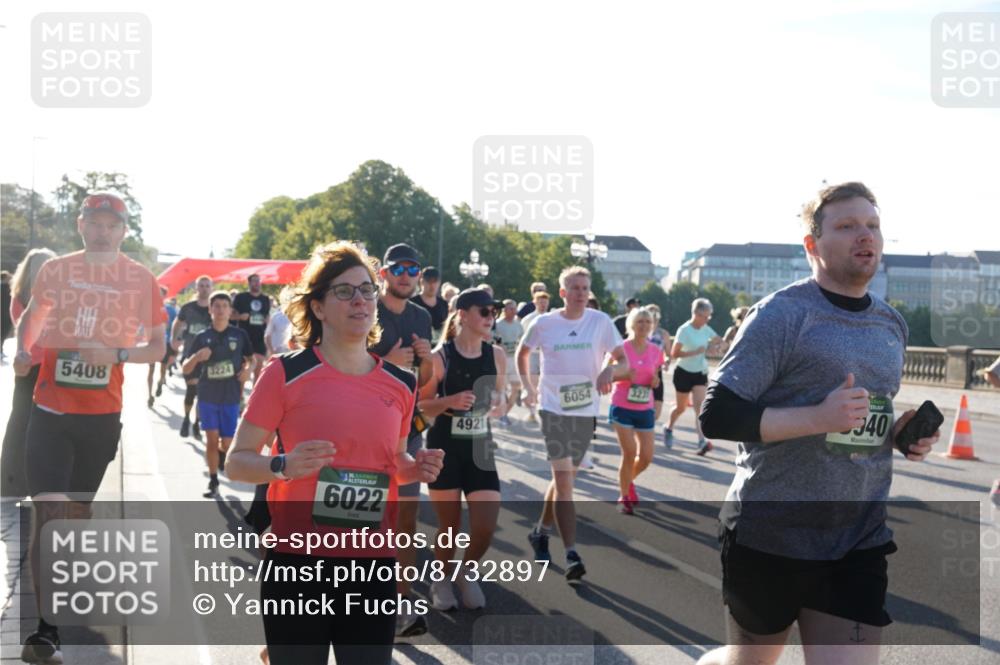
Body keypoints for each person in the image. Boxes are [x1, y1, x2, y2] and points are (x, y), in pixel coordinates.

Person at [695, 181, 940, 665]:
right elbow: (717, 415)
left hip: (857, 537)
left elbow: (862, 413)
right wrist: (816, 417)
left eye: (872, 225)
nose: (864, 235)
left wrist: (897, 433)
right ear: (812, 244)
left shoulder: (891, 323)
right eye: (846, 226)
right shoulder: (781, 315)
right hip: (771, 533)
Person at [226, 240, 443, 665]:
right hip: (297, 565)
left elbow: (395, 465)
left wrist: (416, 468)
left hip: (372, 566)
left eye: (366, 290)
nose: (359, 299)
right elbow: (237, 462)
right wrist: (283, 465)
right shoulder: (285, 373)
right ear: (318, 307)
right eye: (344, 291)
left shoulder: (401, 383)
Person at [13, 192, 166, 663]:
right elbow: (32, 317)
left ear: (123, 231)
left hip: (100, 418)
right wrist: (23, 350)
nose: (102, 232)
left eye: (111, 225)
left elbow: (157, 347)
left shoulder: (140, 280)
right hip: (50, 412)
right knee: (50, 512)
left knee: (76, 514)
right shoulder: (57, 270)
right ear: (81, 225)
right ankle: (46, 630)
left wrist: (116, 354)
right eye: (95, 223)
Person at [518, 266, 625, 581]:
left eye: (585, 288)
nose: (580, 293)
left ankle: (540, 532)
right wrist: (527, 387)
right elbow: (522, 353)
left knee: (563, 480)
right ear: (563, 293)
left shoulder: (600, 322)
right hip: (553, 408)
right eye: (575, 288)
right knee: (565, 482)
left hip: (584, 410)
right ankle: (571, 553)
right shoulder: (544, 323)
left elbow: (624, 359)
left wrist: (610, 370)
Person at [419, 288, 506, 610]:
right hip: (444, 448)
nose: (490, 317)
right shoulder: (440, 358)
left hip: (480, 447)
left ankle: (465, 571)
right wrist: (450, 401)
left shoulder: (496, 355)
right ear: (463, 315)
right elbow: (421, 405)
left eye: (494, 311)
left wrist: (500, 404)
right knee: (450, 526)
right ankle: (440, 579)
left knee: (485, 526)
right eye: (484, 311)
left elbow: (502, 397)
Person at [367, 242, 435, 637]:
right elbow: (345, 366)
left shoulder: (421, 317)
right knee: (364, 519)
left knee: (405, 519)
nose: (406, 276)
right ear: (384, 274)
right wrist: (386, 363)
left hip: (406, 430)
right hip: (364, 430)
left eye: (413, 270)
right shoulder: (365, 308)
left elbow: (423, 381)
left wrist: (426, 361)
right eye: (399, 269)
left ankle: (400, 604)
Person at [181, 291, 253, 498]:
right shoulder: (202, 337)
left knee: (227, 443)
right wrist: (197, 357)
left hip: (231, 396)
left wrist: (248, 370)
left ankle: (222, 454)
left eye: (224, 306)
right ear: (210, 310)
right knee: (211, 439)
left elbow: (251, 358)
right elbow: (185, 368)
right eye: (217, 306)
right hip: (208, 395)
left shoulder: (240, 335)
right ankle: (213, 481)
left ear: (230, 311)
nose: (221, 310)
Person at [0, 248, 56, 499]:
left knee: (22, 424)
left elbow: (21, 326)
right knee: (40, 426)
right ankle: (31, 483)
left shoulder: (19, 296)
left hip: (30, 366)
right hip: (43, 367)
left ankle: (13, 481)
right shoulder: (47, 298)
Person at [607, 307, 664, 514]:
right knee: (629, 452)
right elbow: (605, 374)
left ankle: (627, 480)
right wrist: (623, 376)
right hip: (622, 405)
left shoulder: (656, 351)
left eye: (648, 322)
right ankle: (623, 497)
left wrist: (655, 382)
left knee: (646, 457)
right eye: (640, 321)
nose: (644, 326)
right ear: (631, 324)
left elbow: (656, 378)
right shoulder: (620, 348)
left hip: (644, 406)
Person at [664, 298, 722, 455]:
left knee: (700, 408)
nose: (707, 319)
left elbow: (720, 341)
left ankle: (702, 441)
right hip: (683, 372)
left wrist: (715, 347)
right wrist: (694, 352)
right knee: (681, 408)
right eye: (705, 316)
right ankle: (668, 428)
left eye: (709, 316)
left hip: (700, 373)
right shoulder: (684, 330)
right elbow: (674, 353)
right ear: (696, 314)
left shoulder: (706, 329)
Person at [173, 275, 213, 439]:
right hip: (190, 354)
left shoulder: (214, 309)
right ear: (196, 288)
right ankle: (186, 418)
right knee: (192, 390)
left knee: (202, 394)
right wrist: (174, 339)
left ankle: (197, 422)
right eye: (201, 285)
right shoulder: (188, 308)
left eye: (207, 286)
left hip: (209, 358)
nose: (204, 288)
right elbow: (178, 322)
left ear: (211, 288)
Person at [232, 274, 271, 385]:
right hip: (244, 337)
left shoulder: (265, 299)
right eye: (254, 281)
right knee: (243, 370)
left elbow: (267, 315)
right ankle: (240, 395)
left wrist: (267, 319)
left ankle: (255, 395)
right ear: (249, 283)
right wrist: (240, 317)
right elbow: (230, 316)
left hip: (259, 337)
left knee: (258, 371)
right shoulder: (241, 297)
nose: (257, 283)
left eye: (258, 281)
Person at [518, 290, 550, 423]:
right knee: (533, 383)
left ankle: (541, 408)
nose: (543, 305)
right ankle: (532, 411)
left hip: (547, 355)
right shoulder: (528, 319)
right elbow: (521, 339)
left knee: (545, 384)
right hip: (532, 355)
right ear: (535, 303)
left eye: (545, 302)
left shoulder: (552, 318)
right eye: (540, 302)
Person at [493, 299, 524, 427]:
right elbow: (493, 340)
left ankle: (505, 412)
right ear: (504, 310)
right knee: (502, 389)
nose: (512, 311)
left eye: (514, 308)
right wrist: (500, 346)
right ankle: (502, 413)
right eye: (510, 308)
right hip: (501, 360)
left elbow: (522, 340)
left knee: (516, 387)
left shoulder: (518, 325)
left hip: (514, 359)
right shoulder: (498, 324)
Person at [147, 286, 178, 408]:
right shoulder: (149, 308)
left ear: (165, 296)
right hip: (152, 342)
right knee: (151, 370)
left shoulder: (171, 309)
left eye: (161, 294)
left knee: (162, 369)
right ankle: (149, 395)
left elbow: (176, 326)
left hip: (165, 343)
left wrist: (175, 342)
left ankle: (160, 382)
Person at [645, 303, 672, 444]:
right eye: (651, 313)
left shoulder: (663, 334)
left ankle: (646, 427)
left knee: (657, 410)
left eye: (656, 314)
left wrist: (666, 361)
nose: (654, 316)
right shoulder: (641, 332)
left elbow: (668, 354)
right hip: (641, 373)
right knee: (640, 405)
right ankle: (643, 432)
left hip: (657, 372)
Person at [411, 266, 449, 338]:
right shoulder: (412, 303)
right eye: (429, 281)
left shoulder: (444, 304)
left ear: (439, 283)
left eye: (435, 281)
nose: (432, 285)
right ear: (422, 282)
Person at [264, 287, 292, 357]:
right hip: (281, 354)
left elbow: (267, 336)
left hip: (290, 353)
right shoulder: (276, 316)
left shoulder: (299, 316)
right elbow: (267, 336)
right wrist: (272, 352)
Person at [1, 270, 12, 358]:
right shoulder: (7, 288)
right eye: (8, 277)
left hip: (5, 313)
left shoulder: (8, 288)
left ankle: (1, 350)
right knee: (3, 332)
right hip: (5, 314)